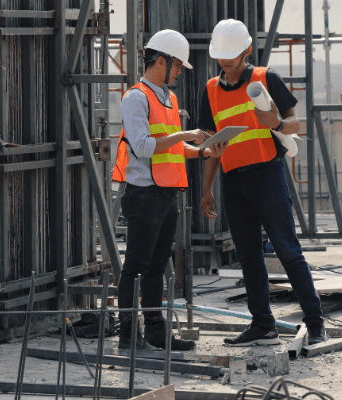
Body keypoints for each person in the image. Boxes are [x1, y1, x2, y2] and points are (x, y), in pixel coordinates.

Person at [197, 19, 326, 346]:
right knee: (249, 256)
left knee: (288, 251)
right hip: (232, 181)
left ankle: (315, 323)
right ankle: (262, 326)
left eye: (231, 56)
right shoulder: (210, 89)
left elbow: (295, 124)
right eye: (221, 57)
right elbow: (212, 144)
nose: (225, 62)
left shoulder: (265, 78)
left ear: (247, 51)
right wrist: (207, 188)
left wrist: (277, 123)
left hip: (267, 175)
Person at [112, 29, 225, 351]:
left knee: (156, 267)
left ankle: (156, 334)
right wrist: (186, 135)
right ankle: (128, 337)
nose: (179, 72)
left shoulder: (169, 99)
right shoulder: (136, 98)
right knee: (135, 267)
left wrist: (203, 151)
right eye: (177, 66)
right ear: (161, 61)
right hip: (143, 195)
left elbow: (171, 148)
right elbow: (143, 147)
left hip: (168, 193)